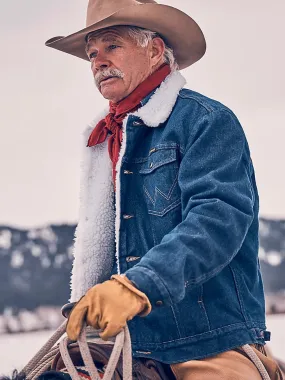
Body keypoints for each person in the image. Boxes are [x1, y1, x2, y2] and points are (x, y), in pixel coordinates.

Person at [46, 1, 283, 379]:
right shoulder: (106, 140)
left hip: (207, 342)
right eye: (92, 53)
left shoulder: (206, 121)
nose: (97, 61)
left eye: (112, 46)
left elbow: (217, 220)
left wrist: (136, 287)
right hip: (125, 340)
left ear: (155, 49)